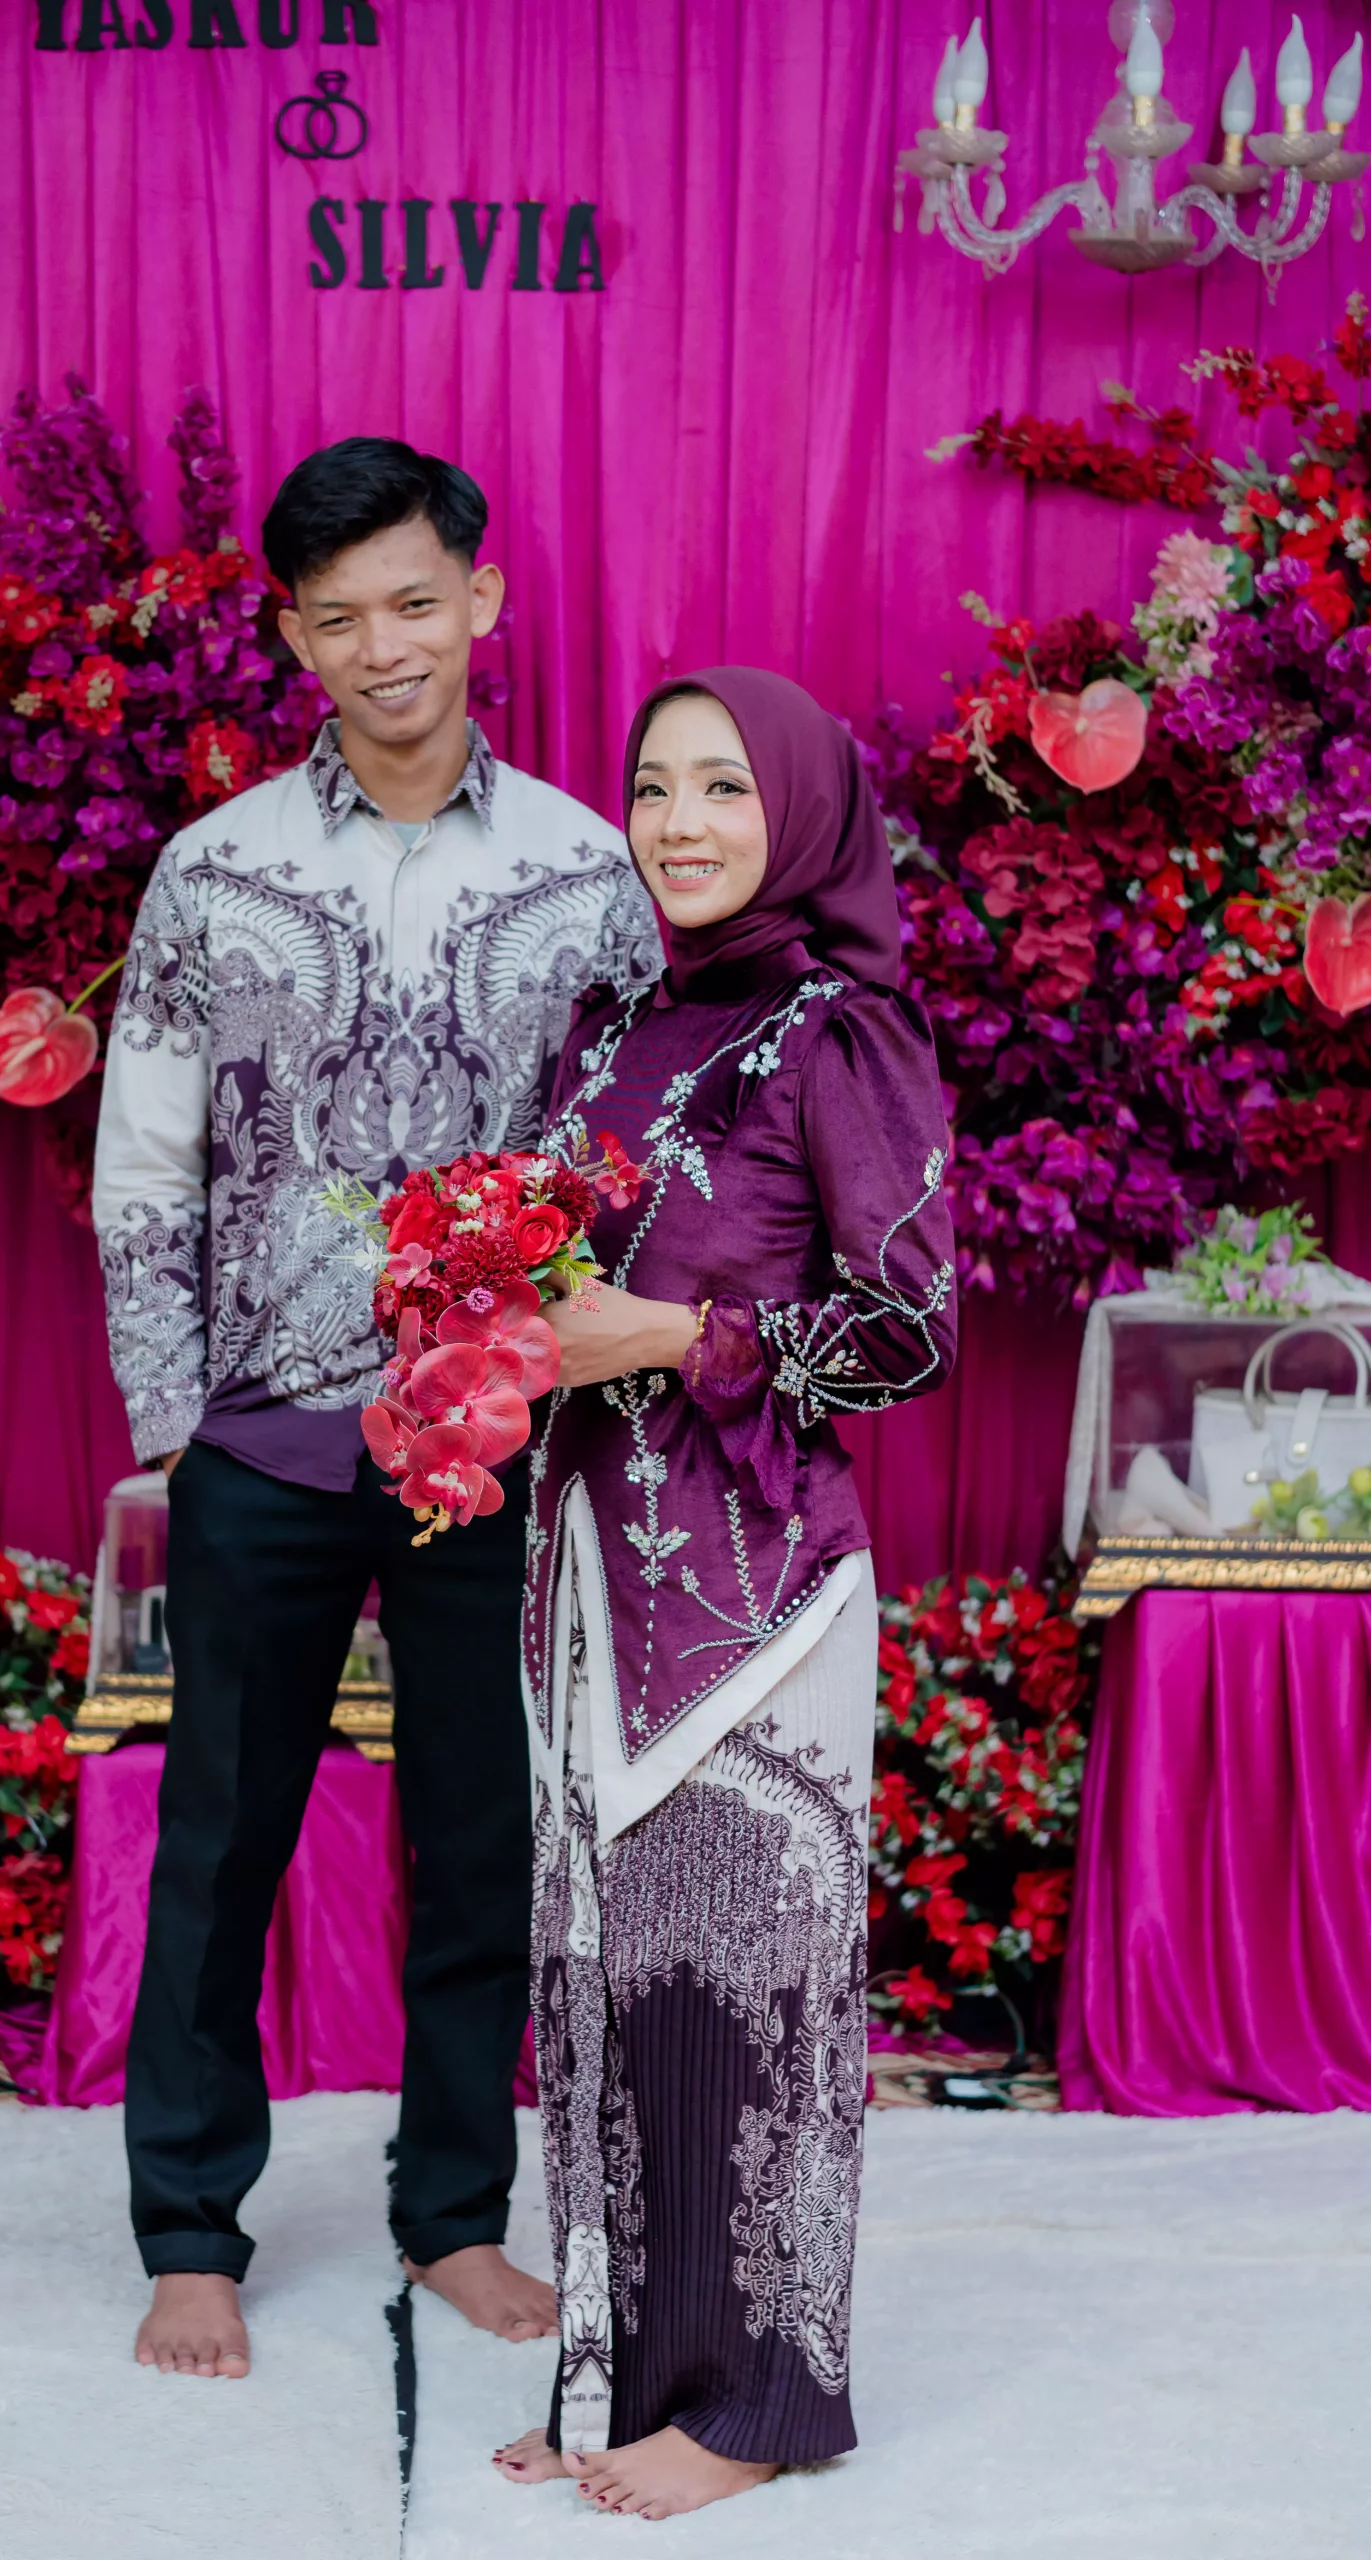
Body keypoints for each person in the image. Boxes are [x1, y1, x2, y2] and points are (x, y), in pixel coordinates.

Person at [92, 438, 660, 2380]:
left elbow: (634, 1166)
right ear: (293, 635)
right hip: (262, 1439)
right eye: (339, 617)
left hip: (493, 1446)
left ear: (479, 601)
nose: (383, 645)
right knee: (220, 1837)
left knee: (483, 1839)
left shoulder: (584, 871)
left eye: (414, 601)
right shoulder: (216, 868)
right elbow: (145, 1158)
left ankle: (452, 2214)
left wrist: (577, 1384)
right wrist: (176, 1420)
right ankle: (189, 2229)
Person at [491, 669, 957, 2518]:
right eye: (652, 786)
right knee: (607, 1988)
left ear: (802, 812)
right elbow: (547, 1273)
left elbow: (908, 1328)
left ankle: (761, 2406)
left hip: (758, 1588)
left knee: (747, 2000)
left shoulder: (841, 1034)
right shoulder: (607, 1025)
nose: (678, 823)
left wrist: (684, 1334)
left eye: (722, 789)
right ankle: (619, 2377)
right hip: (587, 1572)